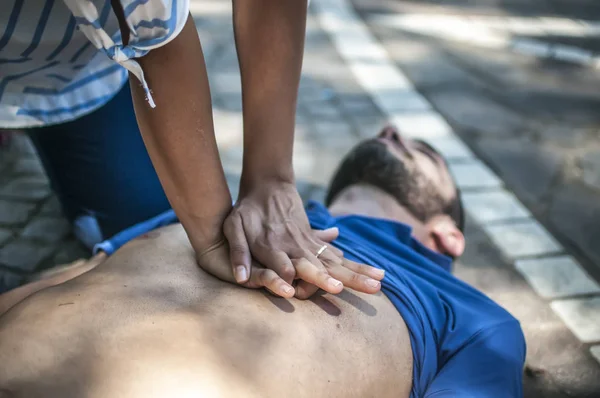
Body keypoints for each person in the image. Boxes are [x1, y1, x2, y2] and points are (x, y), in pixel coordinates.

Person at [0, 126, 527, 397]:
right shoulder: (209, 207)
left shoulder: (479, 317)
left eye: (420, 149)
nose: (390, 127)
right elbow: (72, 278)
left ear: (448, 236)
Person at [0, 0, 370, 297]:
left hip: (80, 68)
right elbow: (156, 38)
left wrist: (270, 179)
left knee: (143, 217)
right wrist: (210, 238)